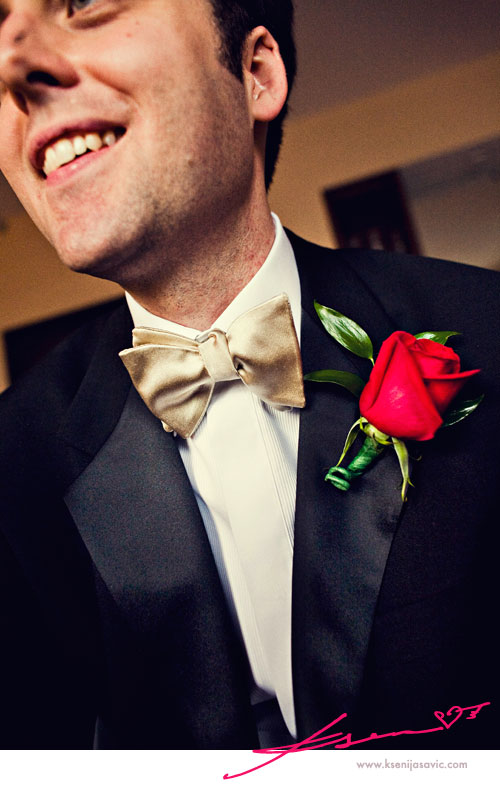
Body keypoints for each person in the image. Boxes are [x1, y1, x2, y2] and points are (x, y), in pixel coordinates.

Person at [0, 0, 498, 750]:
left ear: (256, 73)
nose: (12, 64)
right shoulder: (12, 464)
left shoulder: (487, 328)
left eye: (82, 2)